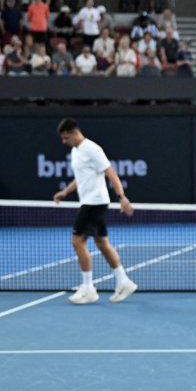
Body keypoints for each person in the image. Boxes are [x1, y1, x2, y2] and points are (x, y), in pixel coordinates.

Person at [52, 118, 138, 305]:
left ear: (75, 132)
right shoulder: (76, 152)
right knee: (102, 242)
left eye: (66, 138)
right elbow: (81, 178)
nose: (64, 142)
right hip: (91, 202)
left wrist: (121, 197)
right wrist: (65, 192)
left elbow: (111, 173)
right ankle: (124, 281)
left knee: (77, 241)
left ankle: (88, 288)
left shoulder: (92, 149)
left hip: (94, 203)